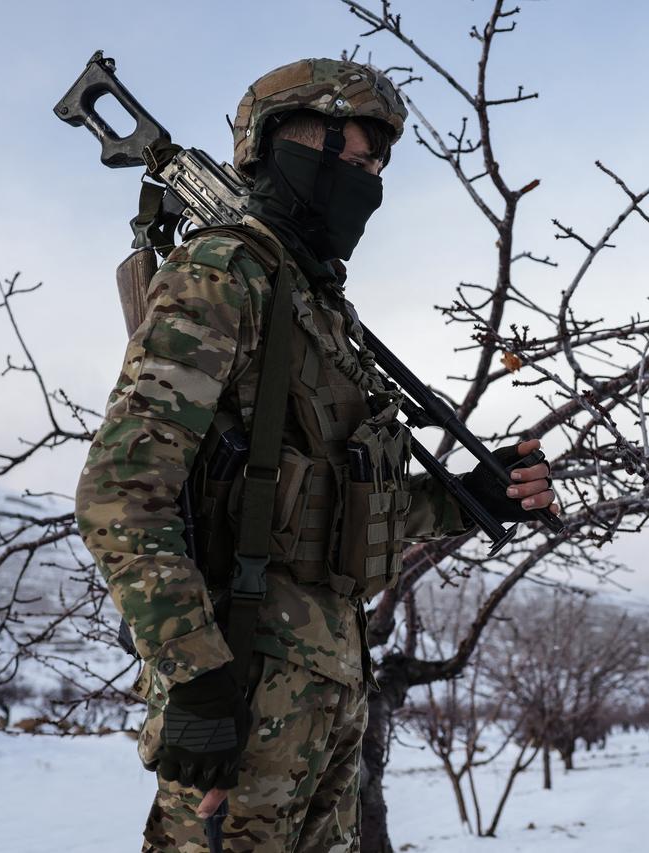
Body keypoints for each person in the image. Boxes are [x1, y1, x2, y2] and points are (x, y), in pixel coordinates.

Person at [75, 57, 557, 853]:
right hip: (244, 687)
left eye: (377, 167)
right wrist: (195, 678)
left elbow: (343, 504)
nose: (370, 184)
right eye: (357, 161)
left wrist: (474, 494)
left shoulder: (320, 307)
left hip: (330, 687)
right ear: (291, 150)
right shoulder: (224, 273)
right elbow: (120, 494)